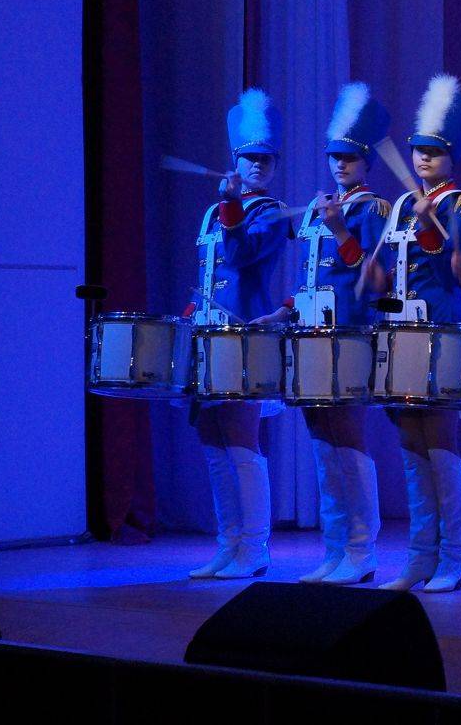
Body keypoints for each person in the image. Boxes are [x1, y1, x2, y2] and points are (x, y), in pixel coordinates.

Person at [253, 82, 392, 585]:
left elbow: (377, 278)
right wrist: (283, 311)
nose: (340, 165)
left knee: (348, 438)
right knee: (320, 441)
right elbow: (311, 277)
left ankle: (362, 549)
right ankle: (335, 549)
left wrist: (340, 230)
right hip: (310, 333)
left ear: (365, 162)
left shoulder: (373, 209)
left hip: (350, 333)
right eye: (335, 157)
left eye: (349, 158)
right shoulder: (319, 207)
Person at [365, 74, 461, 591]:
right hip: (401, 331)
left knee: (439, 442)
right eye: (418, 150)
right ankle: (419, 555)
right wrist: (376, 281)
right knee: (410, 444)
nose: (423, 158)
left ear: (451, 157)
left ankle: (452, 558)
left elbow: (456, 273)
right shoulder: (399, 207)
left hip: (442, 330)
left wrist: (433, 229)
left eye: (434, 152)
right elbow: (394, 277)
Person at [187, 89, 289, 580]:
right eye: (250, 158)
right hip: (208, 331)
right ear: (235, 160)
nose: (257, 166)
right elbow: (208, 273)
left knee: (242, 441)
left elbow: (242, 254)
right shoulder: (214, 212)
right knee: (212, 441)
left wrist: (231, 205)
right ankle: (227, 543)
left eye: (266, 159)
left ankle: (255, 547)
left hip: (246, 333)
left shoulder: (271, 211)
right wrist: (190, 314)